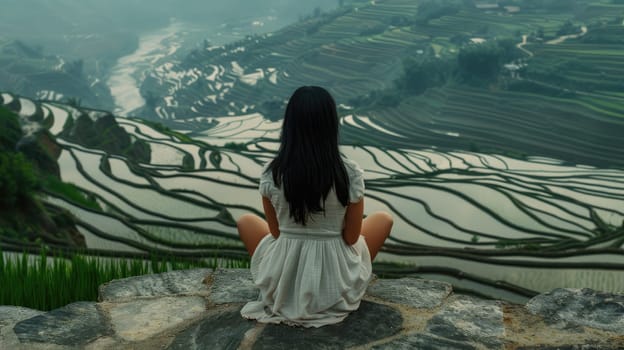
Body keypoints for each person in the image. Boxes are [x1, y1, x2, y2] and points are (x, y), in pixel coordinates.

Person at [237, 86, 393, 328]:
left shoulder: (272, 173)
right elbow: (351, 238)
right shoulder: (348, 172)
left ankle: (287, 287)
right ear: (331, 126)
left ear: (289, 126)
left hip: (285, 275)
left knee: (246, 221)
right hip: (334, 278)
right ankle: (332, 287)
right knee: (383, 218)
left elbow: (277, 233)